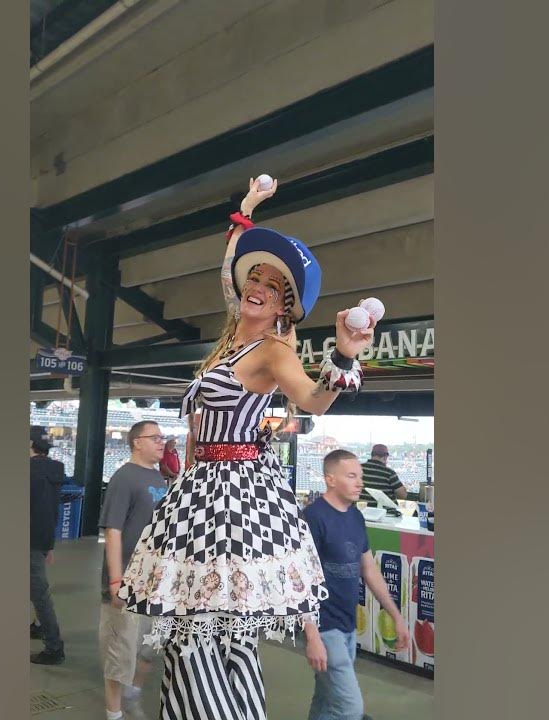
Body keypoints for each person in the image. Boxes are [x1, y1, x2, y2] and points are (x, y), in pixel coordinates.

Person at [115, 178, 378, 719]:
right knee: (199, 622)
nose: (257, 286)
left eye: (273, 285)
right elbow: (228, 264)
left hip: (235, 497)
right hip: (199, 490)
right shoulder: (228, 343)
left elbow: (313, 399)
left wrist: (344, 357)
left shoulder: (273, 350)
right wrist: (248, 208)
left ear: (286, 306)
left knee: (211, 625)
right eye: (254, 277)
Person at [302, 450, 411, 720]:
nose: (360, 483)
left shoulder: (355, 517)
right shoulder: (313, 517)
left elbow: (369, 569)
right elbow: (300, 579)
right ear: (330, 479)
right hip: (325, 627)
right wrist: (312, 636)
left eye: (360, 476)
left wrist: (396, 616)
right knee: (351, 709)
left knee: (326, 701)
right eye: (351, 476)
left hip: (347, 625)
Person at [100, 421, 169, 720]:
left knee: (149, 647)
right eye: (155, 438)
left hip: (154, 582)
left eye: (162, 437)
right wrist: (117, 580)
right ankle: (114, 713)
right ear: (137, 442)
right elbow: (113, 531)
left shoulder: (158, 477)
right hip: (127, 581)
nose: (162, 442)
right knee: (119, 654)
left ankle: (132, 693)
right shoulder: (124, 477)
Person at [30, 436, 67, 665]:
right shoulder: (56, 469)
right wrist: (50, 545)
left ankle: (54, 648)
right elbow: (53, 509)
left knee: (39, 594)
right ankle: (38, 626)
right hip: (44, 537)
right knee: (35, 588)